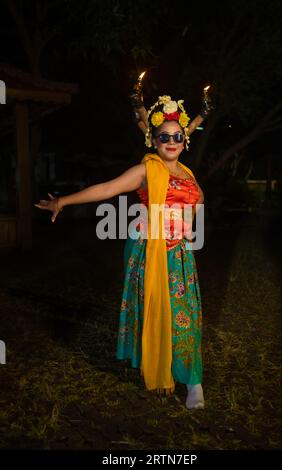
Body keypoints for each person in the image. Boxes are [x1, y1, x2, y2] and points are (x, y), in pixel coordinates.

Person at [34, 90, 213, 410]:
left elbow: (195, 204)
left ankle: (193, 381)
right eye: (163, 137)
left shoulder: (188, 174)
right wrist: (64, 201)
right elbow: (107, 188)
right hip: (152, 254)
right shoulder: (147, 170)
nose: (170, 141)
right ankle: (161, 366)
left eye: (176, 136)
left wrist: (185, 222)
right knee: (159, 312)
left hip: (181, 255)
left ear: (184, 140)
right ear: (154, 141)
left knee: (186, 317)